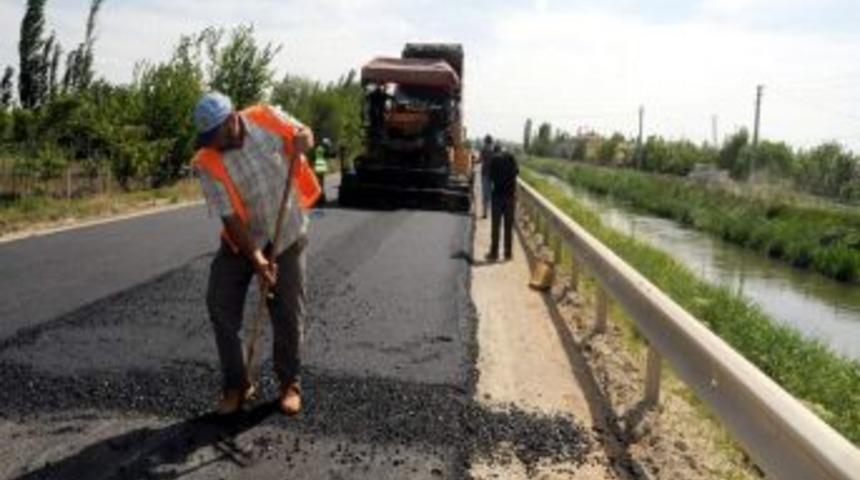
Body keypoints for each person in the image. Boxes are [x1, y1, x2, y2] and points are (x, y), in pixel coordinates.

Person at [191, 92, 321, 416]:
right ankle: (237, 384)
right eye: (206, 138)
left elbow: (303, 134)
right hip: (242, 239)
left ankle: (289, 383)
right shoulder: (207, 161)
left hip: (285, 232)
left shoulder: (267, 119)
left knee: (287, 309)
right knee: (219, 303)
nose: (212, 143)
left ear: (232, 118)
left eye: (215, 135)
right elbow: (229, 217)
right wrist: (257, 259)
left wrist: (304, 139)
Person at [486, 144, 519, 262]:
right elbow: (516, 173)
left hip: (497, 197)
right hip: (510, 197)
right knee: (508, 227)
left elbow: (490, 177)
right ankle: (508, 253)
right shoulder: (511, 158)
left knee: (496, 226)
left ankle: (494, 253)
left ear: (496, 151)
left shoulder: (494, 160)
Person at [479, 135, 494, 219]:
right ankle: (488, 212)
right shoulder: (494, 150)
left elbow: (480, 160)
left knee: (485, 194)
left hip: (485, 175)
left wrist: (474, 161)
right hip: (492, 176)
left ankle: (485, 212)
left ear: (485, 141)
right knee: (490, 195)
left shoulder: (484, 150)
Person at [313, 138, 331, 203]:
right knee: (320, 183)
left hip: (318, 167)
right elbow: (327, 155)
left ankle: (319, 197)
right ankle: (320, 197)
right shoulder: (321, 149)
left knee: (319, 183)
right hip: (320, 167)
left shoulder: (318, 149)